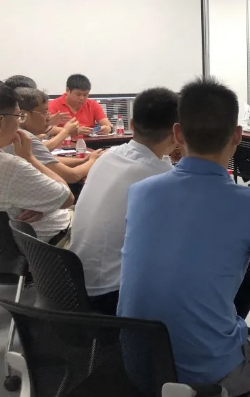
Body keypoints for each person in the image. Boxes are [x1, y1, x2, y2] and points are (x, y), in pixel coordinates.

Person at [118, 77, 250, 397]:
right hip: (203, 371)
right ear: (238, 135)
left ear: (177, 134)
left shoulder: (141, 192)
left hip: (135, 360)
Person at [69, 88, 178, 315]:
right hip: (110, 296)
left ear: (131, 124)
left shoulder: (108, 156)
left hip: (74, 284)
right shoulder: (162, 176)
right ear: (178, 133)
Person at [0, 84, 75, 244]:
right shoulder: (10, 166)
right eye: (18, 116)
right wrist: (29, 157)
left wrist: (43, 206)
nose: (19, 123)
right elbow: (67, 198)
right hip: (53, 241)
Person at [6, 87, 104, 183]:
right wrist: (93, 160)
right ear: (23, 115)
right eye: (44, 112)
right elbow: (73, 176)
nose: (49, 118)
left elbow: (47, 159)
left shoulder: (10, 133)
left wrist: (83, 161)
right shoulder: (24, 137)